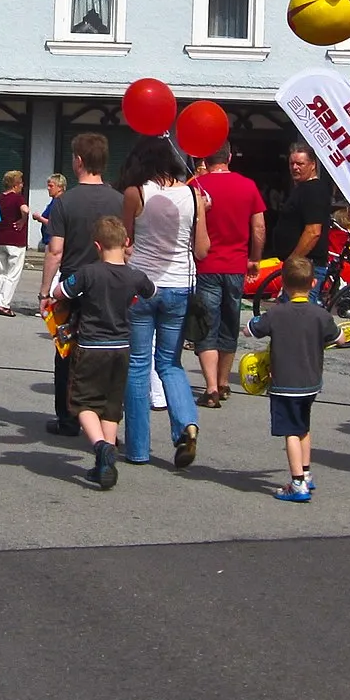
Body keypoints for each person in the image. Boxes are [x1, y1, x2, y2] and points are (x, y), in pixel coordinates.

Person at [119, 136, 208, 469]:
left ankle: (139, 448)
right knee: (170, 363)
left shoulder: (135, 194)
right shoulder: (194, 194)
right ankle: (186, 423)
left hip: (142, 287)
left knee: (139, 365)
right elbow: (202, 250)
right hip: (180, 287)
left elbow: (125, 243)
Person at [52, 215, 153, 489]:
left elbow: (62, 291)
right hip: (122, 347)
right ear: (127, 242)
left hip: (91, 345)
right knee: (111, 405)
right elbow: (150, 291)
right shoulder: (135, 276)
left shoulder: (88, 273)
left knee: (82, 402)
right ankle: (105, 463)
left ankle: (100, 447)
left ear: (97, 246)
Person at [41, 133, 126, 437]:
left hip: (73, 283)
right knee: (107, 349)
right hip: (112, 283)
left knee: (67, 351)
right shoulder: (119, 200)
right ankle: (106, 420)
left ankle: (67, 417)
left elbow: (55, 250)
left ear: (78, 161)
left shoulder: (65, 202)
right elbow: (129, 247)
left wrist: (45, 290)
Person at [244, 253, 345, 502]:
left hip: (284, 383)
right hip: (310, 382)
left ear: (284, 285)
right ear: (313, 284)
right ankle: (307, 473)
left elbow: (250, 330)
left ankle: (297, 481)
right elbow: (340, 338)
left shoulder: (276, 314)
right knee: (303, 427)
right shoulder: (321, 315)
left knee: (290, 431)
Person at [191, 140, 266, 409]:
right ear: (230, 157)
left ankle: (210, 386)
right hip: (235, 265)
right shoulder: (248, 186)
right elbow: (258, 227)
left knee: (206, 324)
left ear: (205, 160)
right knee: (229, 322)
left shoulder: (196, 187)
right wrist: (255, 258)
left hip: (206, 265)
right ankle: (223, 383)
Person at [265, 143, 334, 282]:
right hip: (300, 266)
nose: (295, 168)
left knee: (300, 304)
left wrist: (293, 261)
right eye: (292, 164)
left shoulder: (313, 190)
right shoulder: (302, 189)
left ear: (312, 165)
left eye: (300, 164)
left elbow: (313, 231)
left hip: (306, 267)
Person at [0, 171, 29, 315]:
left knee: (3, 272)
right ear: (15, 185)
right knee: (13, 274)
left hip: (0, 239)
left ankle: (0, 300)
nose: (22, 185)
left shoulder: (0, 198)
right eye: (20, 183)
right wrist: (23, 220)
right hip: (15, 240)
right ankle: (3, 304)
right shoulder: (17, 198)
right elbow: (25, 210)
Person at [33, 173, 67, 255]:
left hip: (55, 242)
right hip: (49, 240)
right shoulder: (54, 201)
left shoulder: (60, 203)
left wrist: (39, 218)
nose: (48, 188)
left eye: (51, 186)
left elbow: (55, 224)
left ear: (60, 187)